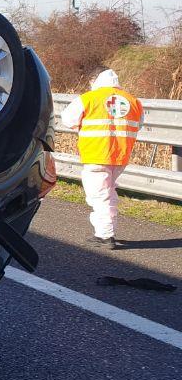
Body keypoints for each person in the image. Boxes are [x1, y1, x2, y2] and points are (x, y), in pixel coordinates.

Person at [58, 68, 143, 250]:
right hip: (120, 156)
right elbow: (139, 124)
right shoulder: (133, 101)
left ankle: (105, 236)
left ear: (95, 79)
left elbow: (67, 119)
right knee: (108, 192)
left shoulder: (89, 98)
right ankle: (105, 231)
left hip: (96, 154)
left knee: (100, 196)